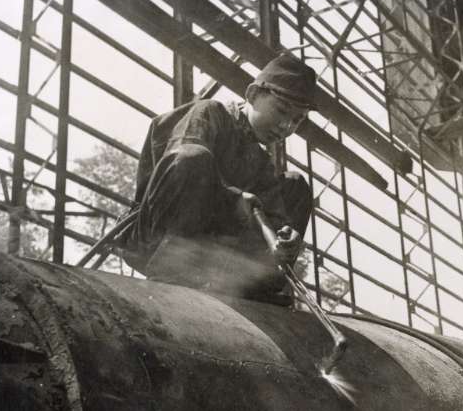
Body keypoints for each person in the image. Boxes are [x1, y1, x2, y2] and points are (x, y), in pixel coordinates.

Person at [115, 54, 316, 304]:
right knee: (193, 155)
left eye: (297, 120)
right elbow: (184, 165)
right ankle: (173, 272)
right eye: (281, 110)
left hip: (214, 254)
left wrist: (285, 238)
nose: (286, 126)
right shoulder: (209, 113)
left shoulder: (262, 163)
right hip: (157, 238)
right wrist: (232, 199)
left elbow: (272, 217)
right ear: (253, 94)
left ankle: (258, 285)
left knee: (296, 185)